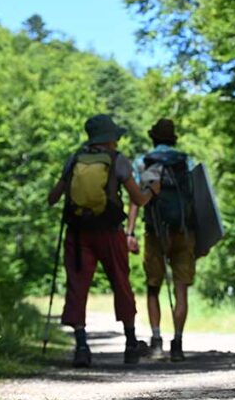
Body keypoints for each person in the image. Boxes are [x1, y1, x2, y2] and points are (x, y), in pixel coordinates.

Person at [47, 114, 159, 367]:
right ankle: (131, 344)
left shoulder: (74, 159)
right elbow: (138, 200)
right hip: (109, 231)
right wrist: (152, 189)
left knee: (77, 286)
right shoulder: (117, 161)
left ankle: (82, 347)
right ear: (109, 138)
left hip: (77, 233)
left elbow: (52, 198)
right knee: (121, 282)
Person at [126, 118, 198, 362]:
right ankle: (177, 344)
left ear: (154, 138)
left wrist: (130, 232)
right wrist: (201, 236)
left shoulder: (144, 161)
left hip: (155, 231)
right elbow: (198, 198)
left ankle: (157, 343)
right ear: (173, 138)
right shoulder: (187, 161)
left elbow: (137, 199)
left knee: (153, 287)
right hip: (183, 231)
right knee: (181, 289)